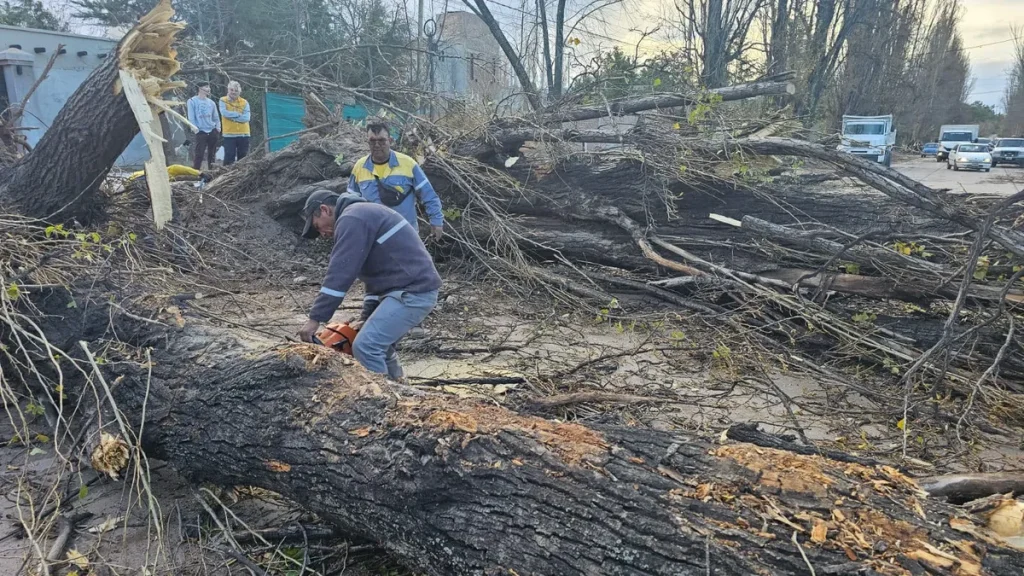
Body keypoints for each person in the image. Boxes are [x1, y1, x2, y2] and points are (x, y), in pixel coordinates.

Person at [296, 190, 441, 381]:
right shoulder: (361, 214)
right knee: (382, 347)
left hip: (412, 291)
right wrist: (366, 317)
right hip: (409, 289)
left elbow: (340, 273)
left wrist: (315, 319)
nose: (322, 234)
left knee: (367, 346)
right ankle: (401, 389)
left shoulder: (352, 218)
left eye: (318, 227)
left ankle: (381, 396)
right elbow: (375, 277)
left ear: (324, 210)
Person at [347, 119, 445, 241]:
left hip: (405, 235)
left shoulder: (408, 164)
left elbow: (428, 194)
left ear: (390, 140)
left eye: (381, 140)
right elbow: (351, 200)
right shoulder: (359, 167)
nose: (377, 145)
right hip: (373, 237)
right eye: (372, 141)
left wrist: (436, 221)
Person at [185, 84, 219, 169]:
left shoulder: (211, 103)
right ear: (200, 88)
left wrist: (218, 127)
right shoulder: (192, 101)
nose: (209, 89)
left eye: (209, 87)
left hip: (212, 130)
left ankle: (211, 172)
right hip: (200, 131)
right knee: (199, 154)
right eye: (206, 87)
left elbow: (216, 117)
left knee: (212, 154)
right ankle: (196, 172)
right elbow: (191, 117)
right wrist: (195, 129)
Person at [219, 81, 251, 165]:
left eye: (236, 90)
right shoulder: (223, 100)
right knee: (229, 157)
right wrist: (237, 114)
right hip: (229, 134)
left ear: (239, 91)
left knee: (243, 158)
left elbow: (246, 118)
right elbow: (224, 113)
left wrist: (232, 118)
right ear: (228, 90)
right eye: (231, 90)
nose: (233, 92)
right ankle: (226, 173)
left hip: (244, 133)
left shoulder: (245, 102)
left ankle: (242, 173)